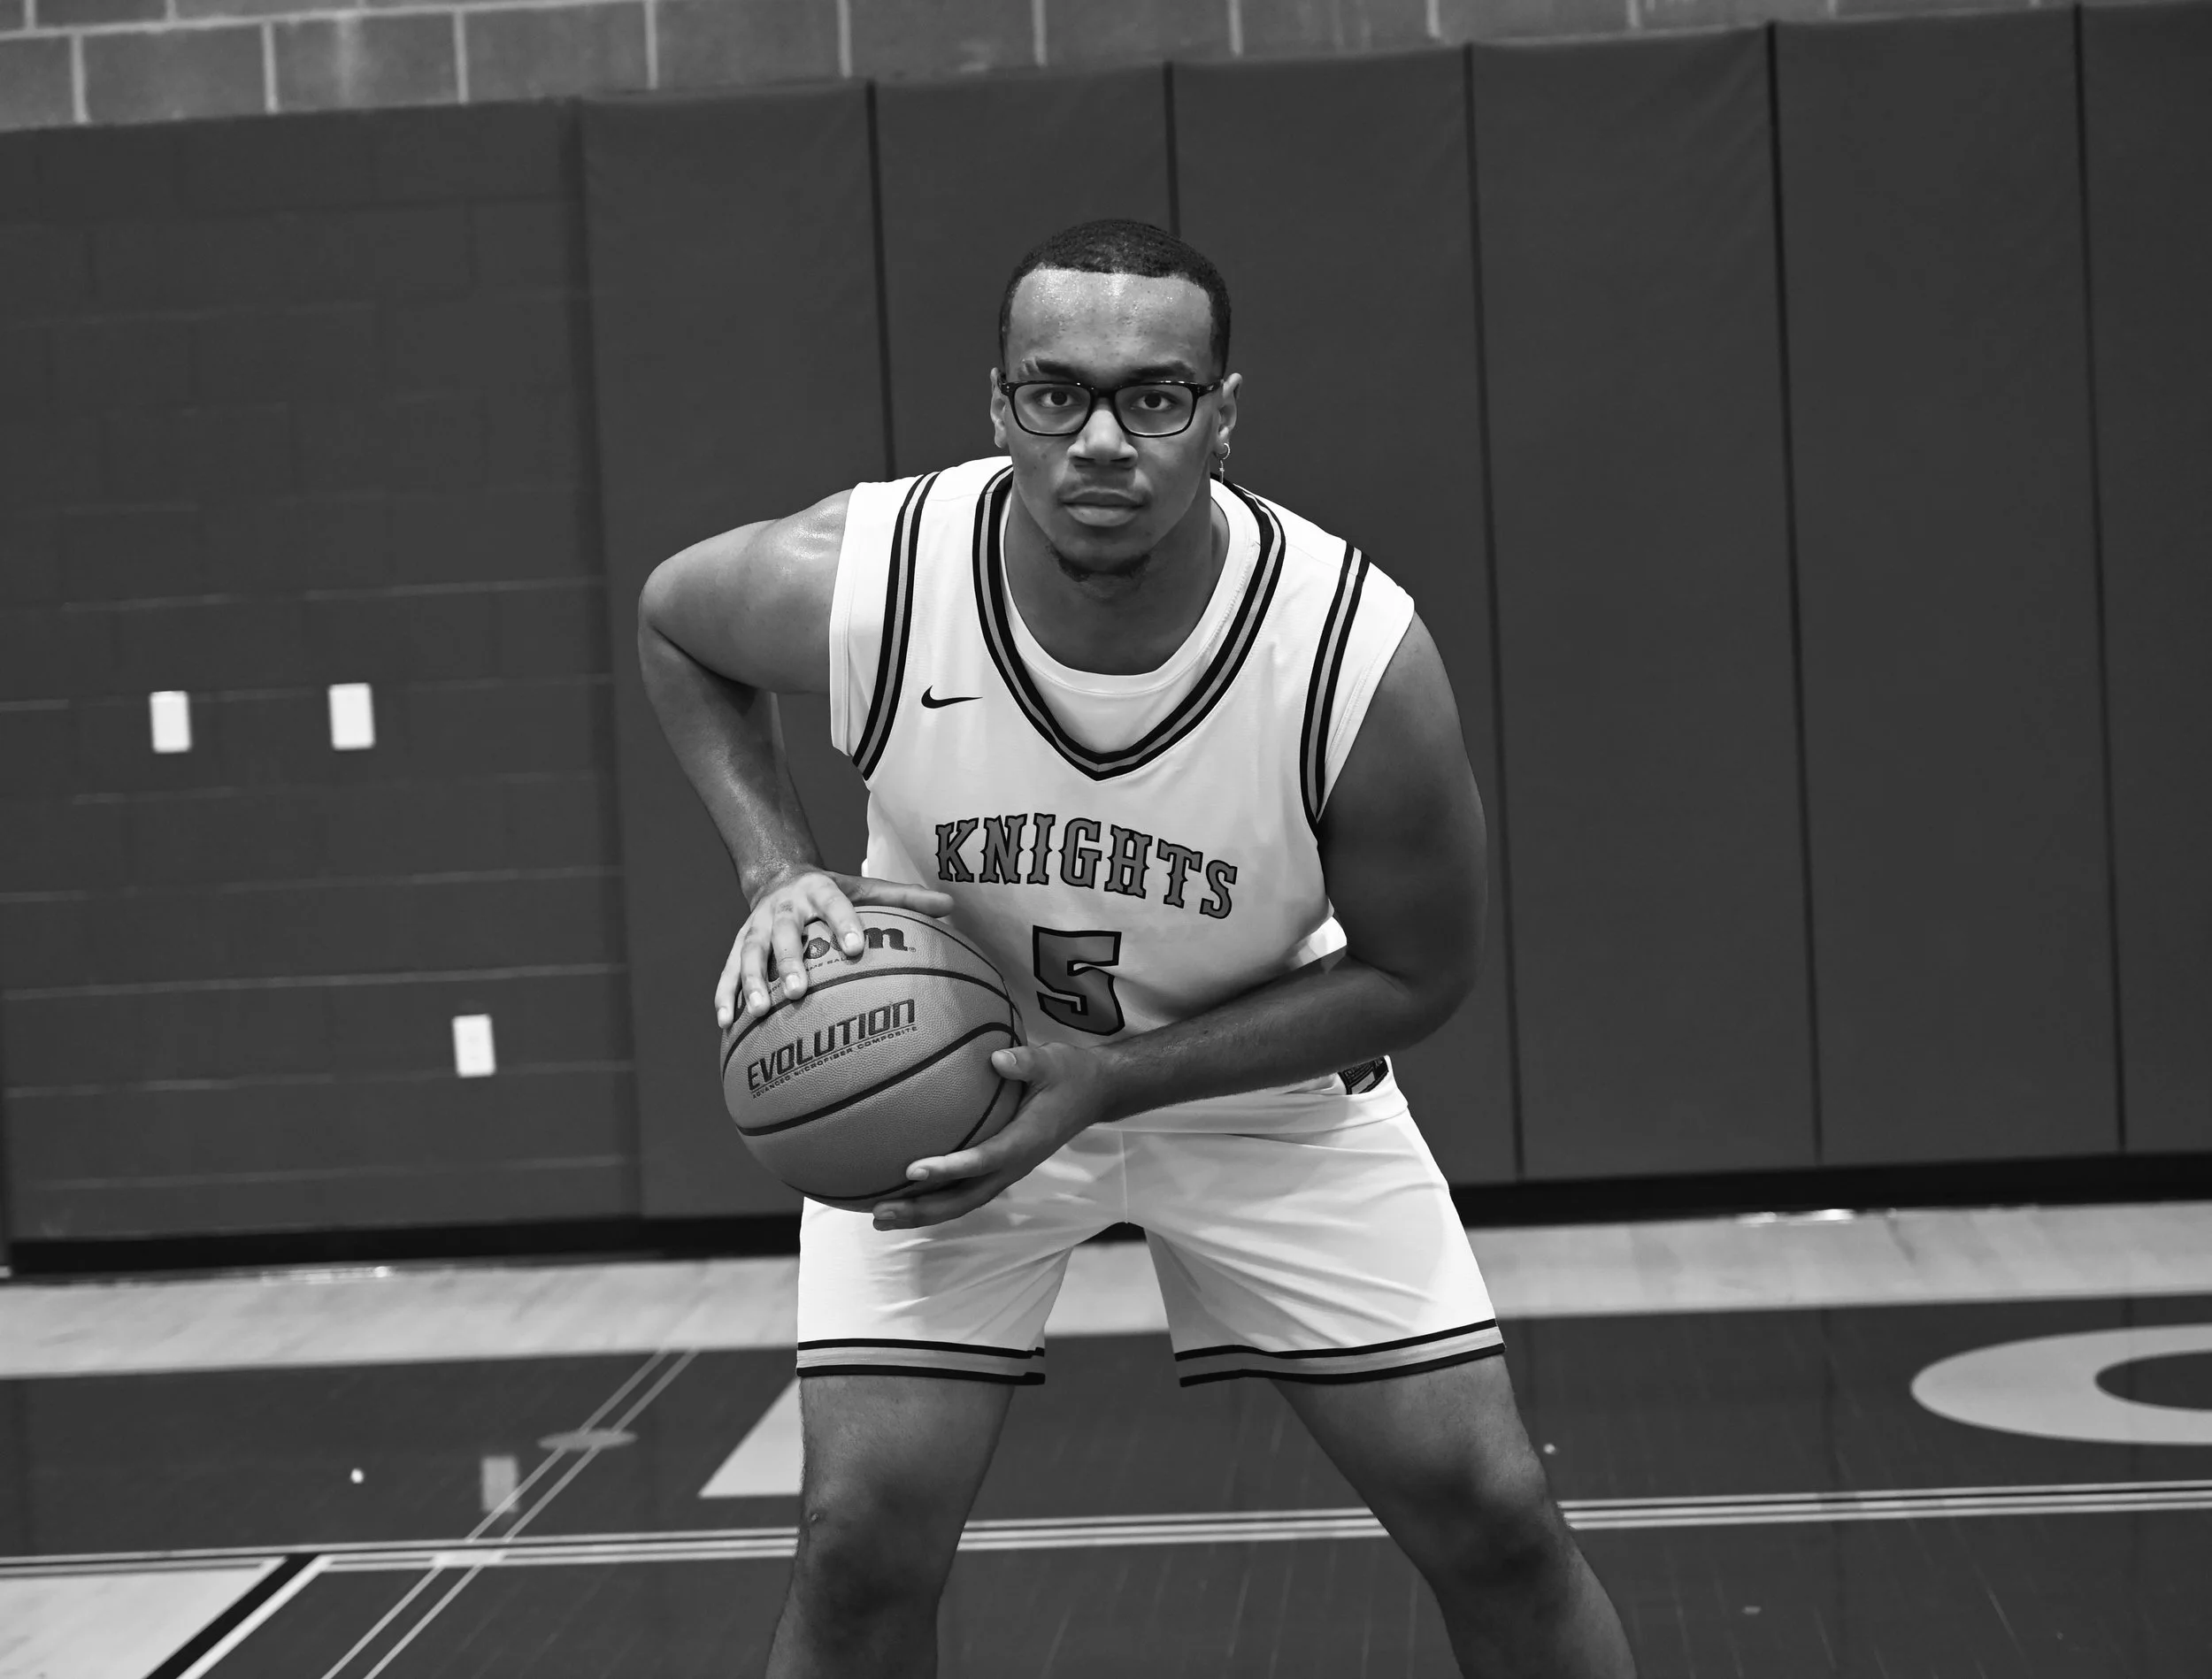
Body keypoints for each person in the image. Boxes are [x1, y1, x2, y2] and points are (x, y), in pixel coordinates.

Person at [640, 218, 1634, 1677]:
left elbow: (1419, 975)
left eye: (1155, 396)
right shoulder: (878, 578)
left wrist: (1112, 1077)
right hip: (944, 1094)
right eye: (1056, 392)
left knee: (1492, 1517)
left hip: (1255, 1087)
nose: (1100, 437)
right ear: (1000, 407)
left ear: (1223, 418)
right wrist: (779, 866)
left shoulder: (1350, 655)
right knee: (859, 1548)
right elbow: (679, 625)